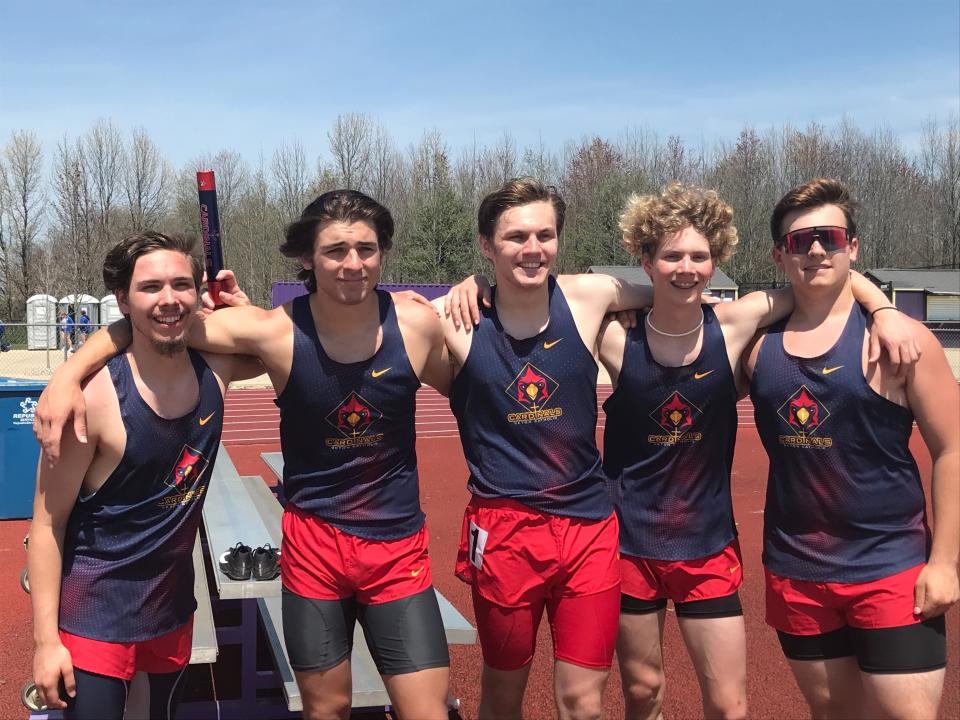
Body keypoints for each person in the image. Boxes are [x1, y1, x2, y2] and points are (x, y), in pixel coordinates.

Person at [34, 190, 454, 720]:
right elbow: (157, 322)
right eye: (335, 250)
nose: (353, 263)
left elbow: (474, 376)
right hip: (300, 555)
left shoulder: (412, 323)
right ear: (307, 257)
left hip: (389, 553)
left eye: (366, 249)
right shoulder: (263, 336)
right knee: (325, 710)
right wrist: (68, 372)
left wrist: (472, 287)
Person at [598, 184, 915, 720]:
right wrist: (475, 283)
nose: (686, 267)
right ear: (646, 261)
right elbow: (554, 295)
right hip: (629, 541)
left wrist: (883, 308)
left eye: (699, 256)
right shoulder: (610, 336)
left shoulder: (738, 323)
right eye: (671, 255)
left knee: (729, 704)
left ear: (715, 260)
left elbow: (826, 279)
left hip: (707, 543)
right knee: (643, 690)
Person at [437, 177, 668, 720]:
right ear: (486, 245)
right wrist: (463, 284)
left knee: (583, 702)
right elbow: (379, 314)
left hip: (587, 528)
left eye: (545, 234)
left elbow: (674, 286)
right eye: (516, 236)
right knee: (502, 694)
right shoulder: (455, 319)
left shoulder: (588, 297)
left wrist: (868, 297)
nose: (533, 248)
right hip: (505, 534)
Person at [742, 178, 959, 719]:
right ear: (778, 254)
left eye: (830, 237)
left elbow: (953, 447)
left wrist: (946, 562)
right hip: (797, 571)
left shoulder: (903, 341)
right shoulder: (755, 347)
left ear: (852, 247)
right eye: (799, 241)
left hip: (891, 567)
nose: (815, 250)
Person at [28, 231, 261, 719]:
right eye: (150, 287)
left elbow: (275, 348)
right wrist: (46, 643)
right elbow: (47, 526)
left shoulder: (213, 370)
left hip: (170, 609)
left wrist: (241, 307)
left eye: (182, 284)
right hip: (96, 616)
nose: (169, 299)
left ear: (199, 292)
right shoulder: (90, 401)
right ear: (122, 299)